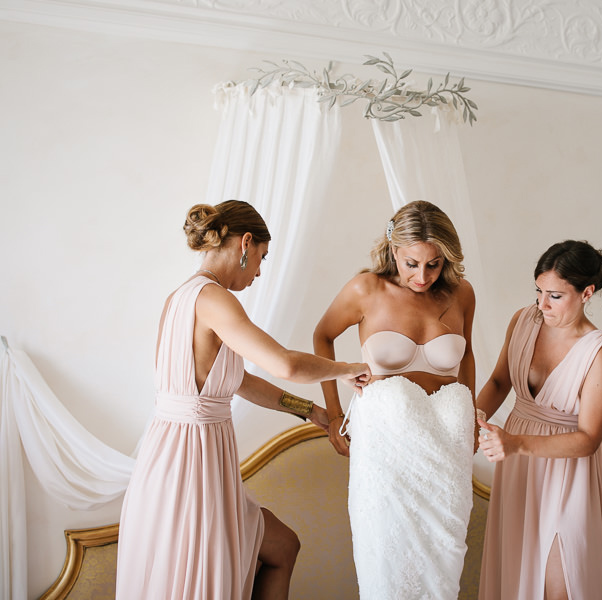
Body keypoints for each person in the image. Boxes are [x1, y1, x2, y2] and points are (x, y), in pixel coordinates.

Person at [116, 200, 371, 600]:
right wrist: (347, 368)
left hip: (171, 455)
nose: (258, 273)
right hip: (191, 462)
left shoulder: (178, 298)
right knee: (208, 574)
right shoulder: (215, 299)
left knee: (282, 546)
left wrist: (313, 412)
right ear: (245, 243)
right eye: (261, 259)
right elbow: (284, 364)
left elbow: (239, 382)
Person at [313, 200, 477, 600]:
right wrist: (336, 415)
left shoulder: (461, 293)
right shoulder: (365, 289)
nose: (422, 276)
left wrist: (472, 416)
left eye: (434, 264)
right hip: (385, 461)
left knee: (443, 574)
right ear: (392, 250)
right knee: (387, 572)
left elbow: (467, 353)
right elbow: (323, 336)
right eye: (411, 264)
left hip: (447, 465)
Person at [476, 240, 602, 600]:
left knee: (561, 582)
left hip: (567, 473)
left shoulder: (599, 353)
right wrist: (472, 418)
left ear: (586, 293)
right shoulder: (523, 320)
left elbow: (589, 438)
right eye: (539, 291)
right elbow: (499, 381)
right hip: (518, 468)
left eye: (555, 296)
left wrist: (515, 443)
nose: (542, 304)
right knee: (517, 570)